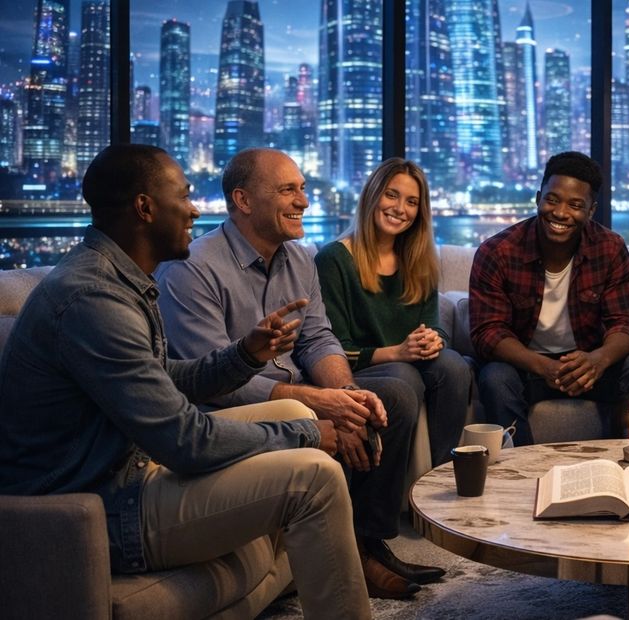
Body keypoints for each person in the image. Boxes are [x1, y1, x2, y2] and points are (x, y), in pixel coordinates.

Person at [0, 144, 374, 619]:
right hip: (97, 506)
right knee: (314, 476)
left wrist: (245, 354)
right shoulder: (93, 299)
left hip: (125, 468)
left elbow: (162, 376)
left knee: (294, 409)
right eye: (183, 196)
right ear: (145, 207)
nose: (195, 210)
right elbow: (185, 441)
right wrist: (308, 434)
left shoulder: (120, 278)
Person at [154, 148, 443, 598]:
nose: (303, 201)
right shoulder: (192, 268)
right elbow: (216, 381)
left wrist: (346, 395)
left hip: (296, 389)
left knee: (392, 397)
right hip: (234, 406)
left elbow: (318, 339)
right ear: (243, 200)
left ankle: (368, 541)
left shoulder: (300, 257)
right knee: (322, 408)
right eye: (288, 190)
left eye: (303, 189)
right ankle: (352, 555)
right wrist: (321, 403)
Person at [469, 151, 629, 446]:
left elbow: (627, 324)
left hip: (588, 364)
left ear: (591, 210)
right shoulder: (497, 252)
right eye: (552, 200)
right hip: (527, 367)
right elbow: (488, 332)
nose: (560, 213)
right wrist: (543, 366)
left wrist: (598, 360)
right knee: (495, 377)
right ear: (538, 198)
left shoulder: (609, 248)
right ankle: (519, 465)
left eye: (575, 205)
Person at [315, 158, 471, 467]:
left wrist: (434, 340)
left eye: (411, 202)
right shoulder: (333, 259)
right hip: (363, 369)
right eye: (391, 195)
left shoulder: (419, 259)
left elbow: (435, 327)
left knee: (454, 365)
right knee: (403, 375)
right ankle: (389, 485)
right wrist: (397, 352)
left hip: (407, 361)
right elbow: (333, 350)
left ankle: (443, 472)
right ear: (373, 195)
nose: (400, 208)